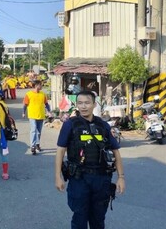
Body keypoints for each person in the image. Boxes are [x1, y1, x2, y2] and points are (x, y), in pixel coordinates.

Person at [55, 90, 126, 229]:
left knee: (98, 219)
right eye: (80, 103)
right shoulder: (70, 124)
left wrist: (121, 177)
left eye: (87, 103)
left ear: (94, 104)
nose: (83, 106)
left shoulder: (103, 126)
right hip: (79, 179)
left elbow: (115, 150)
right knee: (79, 218)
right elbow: (60, 150)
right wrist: (57, 176)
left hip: (101, 179)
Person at [22, 79, 50, 155]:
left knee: (39, 132)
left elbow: (46, 104)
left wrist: (49, 111)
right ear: (37, 85)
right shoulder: (29, 94)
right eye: (41, 85)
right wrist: (23, 112)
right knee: (33, 130)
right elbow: (25, 104)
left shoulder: (43, 94)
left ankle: (37, 144)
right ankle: (32, 146)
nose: (41, 86)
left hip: (41, 115)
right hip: (32, 115)